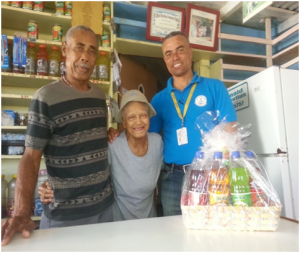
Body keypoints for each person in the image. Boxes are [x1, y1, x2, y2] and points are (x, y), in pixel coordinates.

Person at [1, 25, 114, 246]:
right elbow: (30, 159)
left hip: (105, 210)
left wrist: (113, 132)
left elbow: (94, 143)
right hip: (64, 216)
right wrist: (23, 212)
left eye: (92, 50)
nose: (85, 57)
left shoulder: (100, 96)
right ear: (65, 49)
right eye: (79, 48)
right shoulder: (46, 98)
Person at [108, 31, 237, 216]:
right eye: (168, 53)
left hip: (211, 174)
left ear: (190, 52)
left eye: (180, 50)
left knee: (214, 228)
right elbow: (141, 134)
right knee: (175, 237)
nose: (174, 57)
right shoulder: (159, 100)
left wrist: (222, 169)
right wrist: (115, 132)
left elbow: (230, 130)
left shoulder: (214, 87)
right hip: (173, 179)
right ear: (164, 59)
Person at [39, 90, 164, 221]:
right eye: (131, 117)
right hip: (118, 223)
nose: (138, 121)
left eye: (143, 115)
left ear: (149, 118)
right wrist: (52, 184)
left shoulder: (157, 143)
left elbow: (167, 170)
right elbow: (88, 171)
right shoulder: (113, 144)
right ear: (124, 123)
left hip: (150, 222)